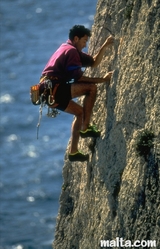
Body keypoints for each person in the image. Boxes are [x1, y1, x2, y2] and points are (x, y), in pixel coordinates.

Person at [41, 25, 114, 162]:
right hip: (55, 89)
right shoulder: (71, 52)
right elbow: (79, 78)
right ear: (76, 38)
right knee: (91, 88)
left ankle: (73, 152)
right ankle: (85, 128)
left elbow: (93, 63)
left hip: (48, 93)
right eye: (84, 41)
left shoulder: (67, 49)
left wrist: (104, 46)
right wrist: (103, 80)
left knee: (79, 112)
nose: (85, 44)